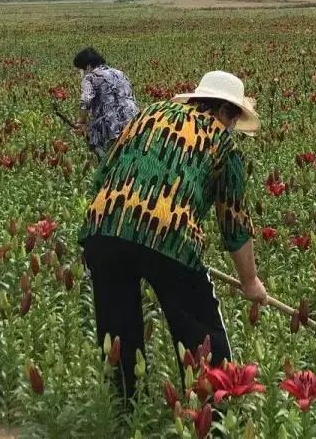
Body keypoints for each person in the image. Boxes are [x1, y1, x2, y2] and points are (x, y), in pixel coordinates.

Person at [78, 70, 267, 401]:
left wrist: (115, 222)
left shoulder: (148, 114)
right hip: (170, 237)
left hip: (103, 227)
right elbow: (234, 226)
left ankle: (123, 411)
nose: (231, 128)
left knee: (117, 329)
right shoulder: (224, 144)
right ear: (226, 112)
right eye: (233, 120)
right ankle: (213, 415)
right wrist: (250, 283)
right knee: (201, 335)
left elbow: (103, 175)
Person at [73, 48, 139, 157]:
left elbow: (85, 100)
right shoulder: (119, 73)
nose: (81, 73)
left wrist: (81, 122)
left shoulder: (90, 77)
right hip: (134, 121)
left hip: (111, 126)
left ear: (88, 66)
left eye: (81, 69)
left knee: (110, 160)